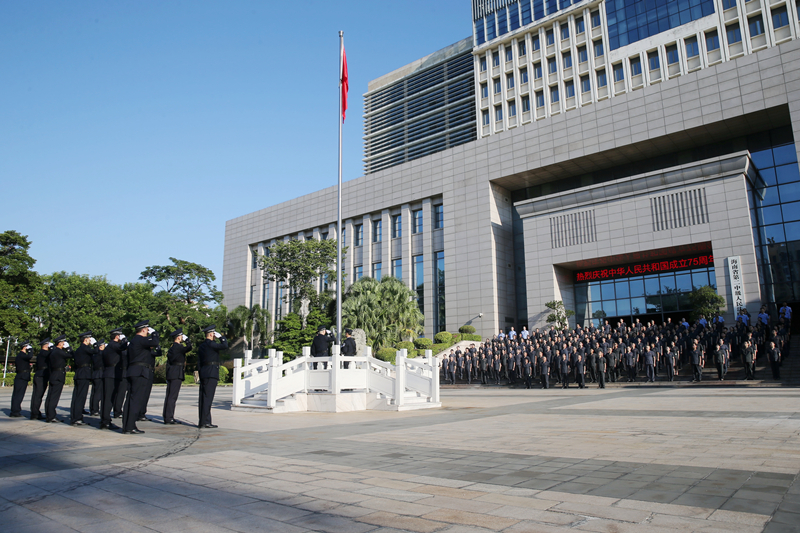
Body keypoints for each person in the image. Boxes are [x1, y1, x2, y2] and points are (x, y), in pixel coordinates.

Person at [122, 320, 159, 435]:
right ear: (143, 330)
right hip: (140, 372)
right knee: (136, 400)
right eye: (147, 329)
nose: (148, 331)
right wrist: (155, 333)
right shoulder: (141, 340)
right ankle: (130, 426)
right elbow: (156, 342)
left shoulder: (134, 341)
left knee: (130, 399)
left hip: (133, 371)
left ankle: (127, 425)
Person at [197, 324, 228, 428]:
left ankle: (203, 421)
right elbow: (224, 346)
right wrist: (222, 338)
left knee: (203, 398)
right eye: (214, 334)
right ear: (211, 334)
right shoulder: (211, 344)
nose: (215, 336)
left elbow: (199, 362)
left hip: (204, 373)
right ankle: (205, 422)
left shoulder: (202, 346)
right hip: (211, 373)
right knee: (208, 398)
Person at [163, 329, 192, 425]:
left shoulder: (172, 348)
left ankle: (167, 416)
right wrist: (187, 340)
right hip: (176, 373)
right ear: (179, 337)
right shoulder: (178, 347)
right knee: (172, 397)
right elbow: (189, 348)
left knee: (169, 396)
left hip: (171, 372)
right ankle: (169, 417)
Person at [101, 328, 128, 430]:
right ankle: (105, 421)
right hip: (111, 373)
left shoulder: (110, 346)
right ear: (117, 336)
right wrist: (125, 340)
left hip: (111, 373)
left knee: (109, 398)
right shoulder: (113, 345)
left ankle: (105, 420)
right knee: (108, 399)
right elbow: (122, 347)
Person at [70, 332, 98, 426]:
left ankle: (74, 416)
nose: (90, 340)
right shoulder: (85, 348)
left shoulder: (79, 349)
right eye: (89, 339)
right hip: (84, 374)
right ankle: (77, 418)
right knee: (80, 397)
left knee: (76, 397)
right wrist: (95, 344)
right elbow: (96, 351)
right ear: (86, 339)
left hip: (79, 373)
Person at [45, 335, 70, 423]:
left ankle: (49, 415)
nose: (64, 344)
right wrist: (68, 348)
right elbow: (70, 355)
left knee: (50, 396)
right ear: (60, 343)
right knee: (54, 397)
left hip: (53, 375)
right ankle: (51, 416)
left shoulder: (53, 351)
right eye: (63, 342)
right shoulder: (59, 351)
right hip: (58, 375)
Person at [9, 341, 34, 417]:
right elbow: (30, 356)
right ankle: (15, 411)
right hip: (22, 376)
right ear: (25, 347)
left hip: (21, 376)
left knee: (18, 394)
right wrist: (30, 350)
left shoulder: (21, 355)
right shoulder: (22, 355)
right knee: (18, 395)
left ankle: (15, 410)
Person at [29, 338, 51, 420]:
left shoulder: (41, 353)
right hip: (41, 375)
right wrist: (53, 349)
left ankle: (35, 412)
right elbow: (52, 355)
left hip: (39, 374)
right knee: (38, 395)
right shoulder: (44, 353)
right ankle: (35, 413)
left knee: (36, 395)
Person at [89, 340, 105, 416]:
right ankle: (95, 409)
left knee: (94, 393)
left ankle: (92, 408)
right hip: (100, 374)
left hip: (95, 374)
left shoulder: (94, 354)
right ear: (101, 346)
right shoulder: (101, 354)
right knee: (98, 393)